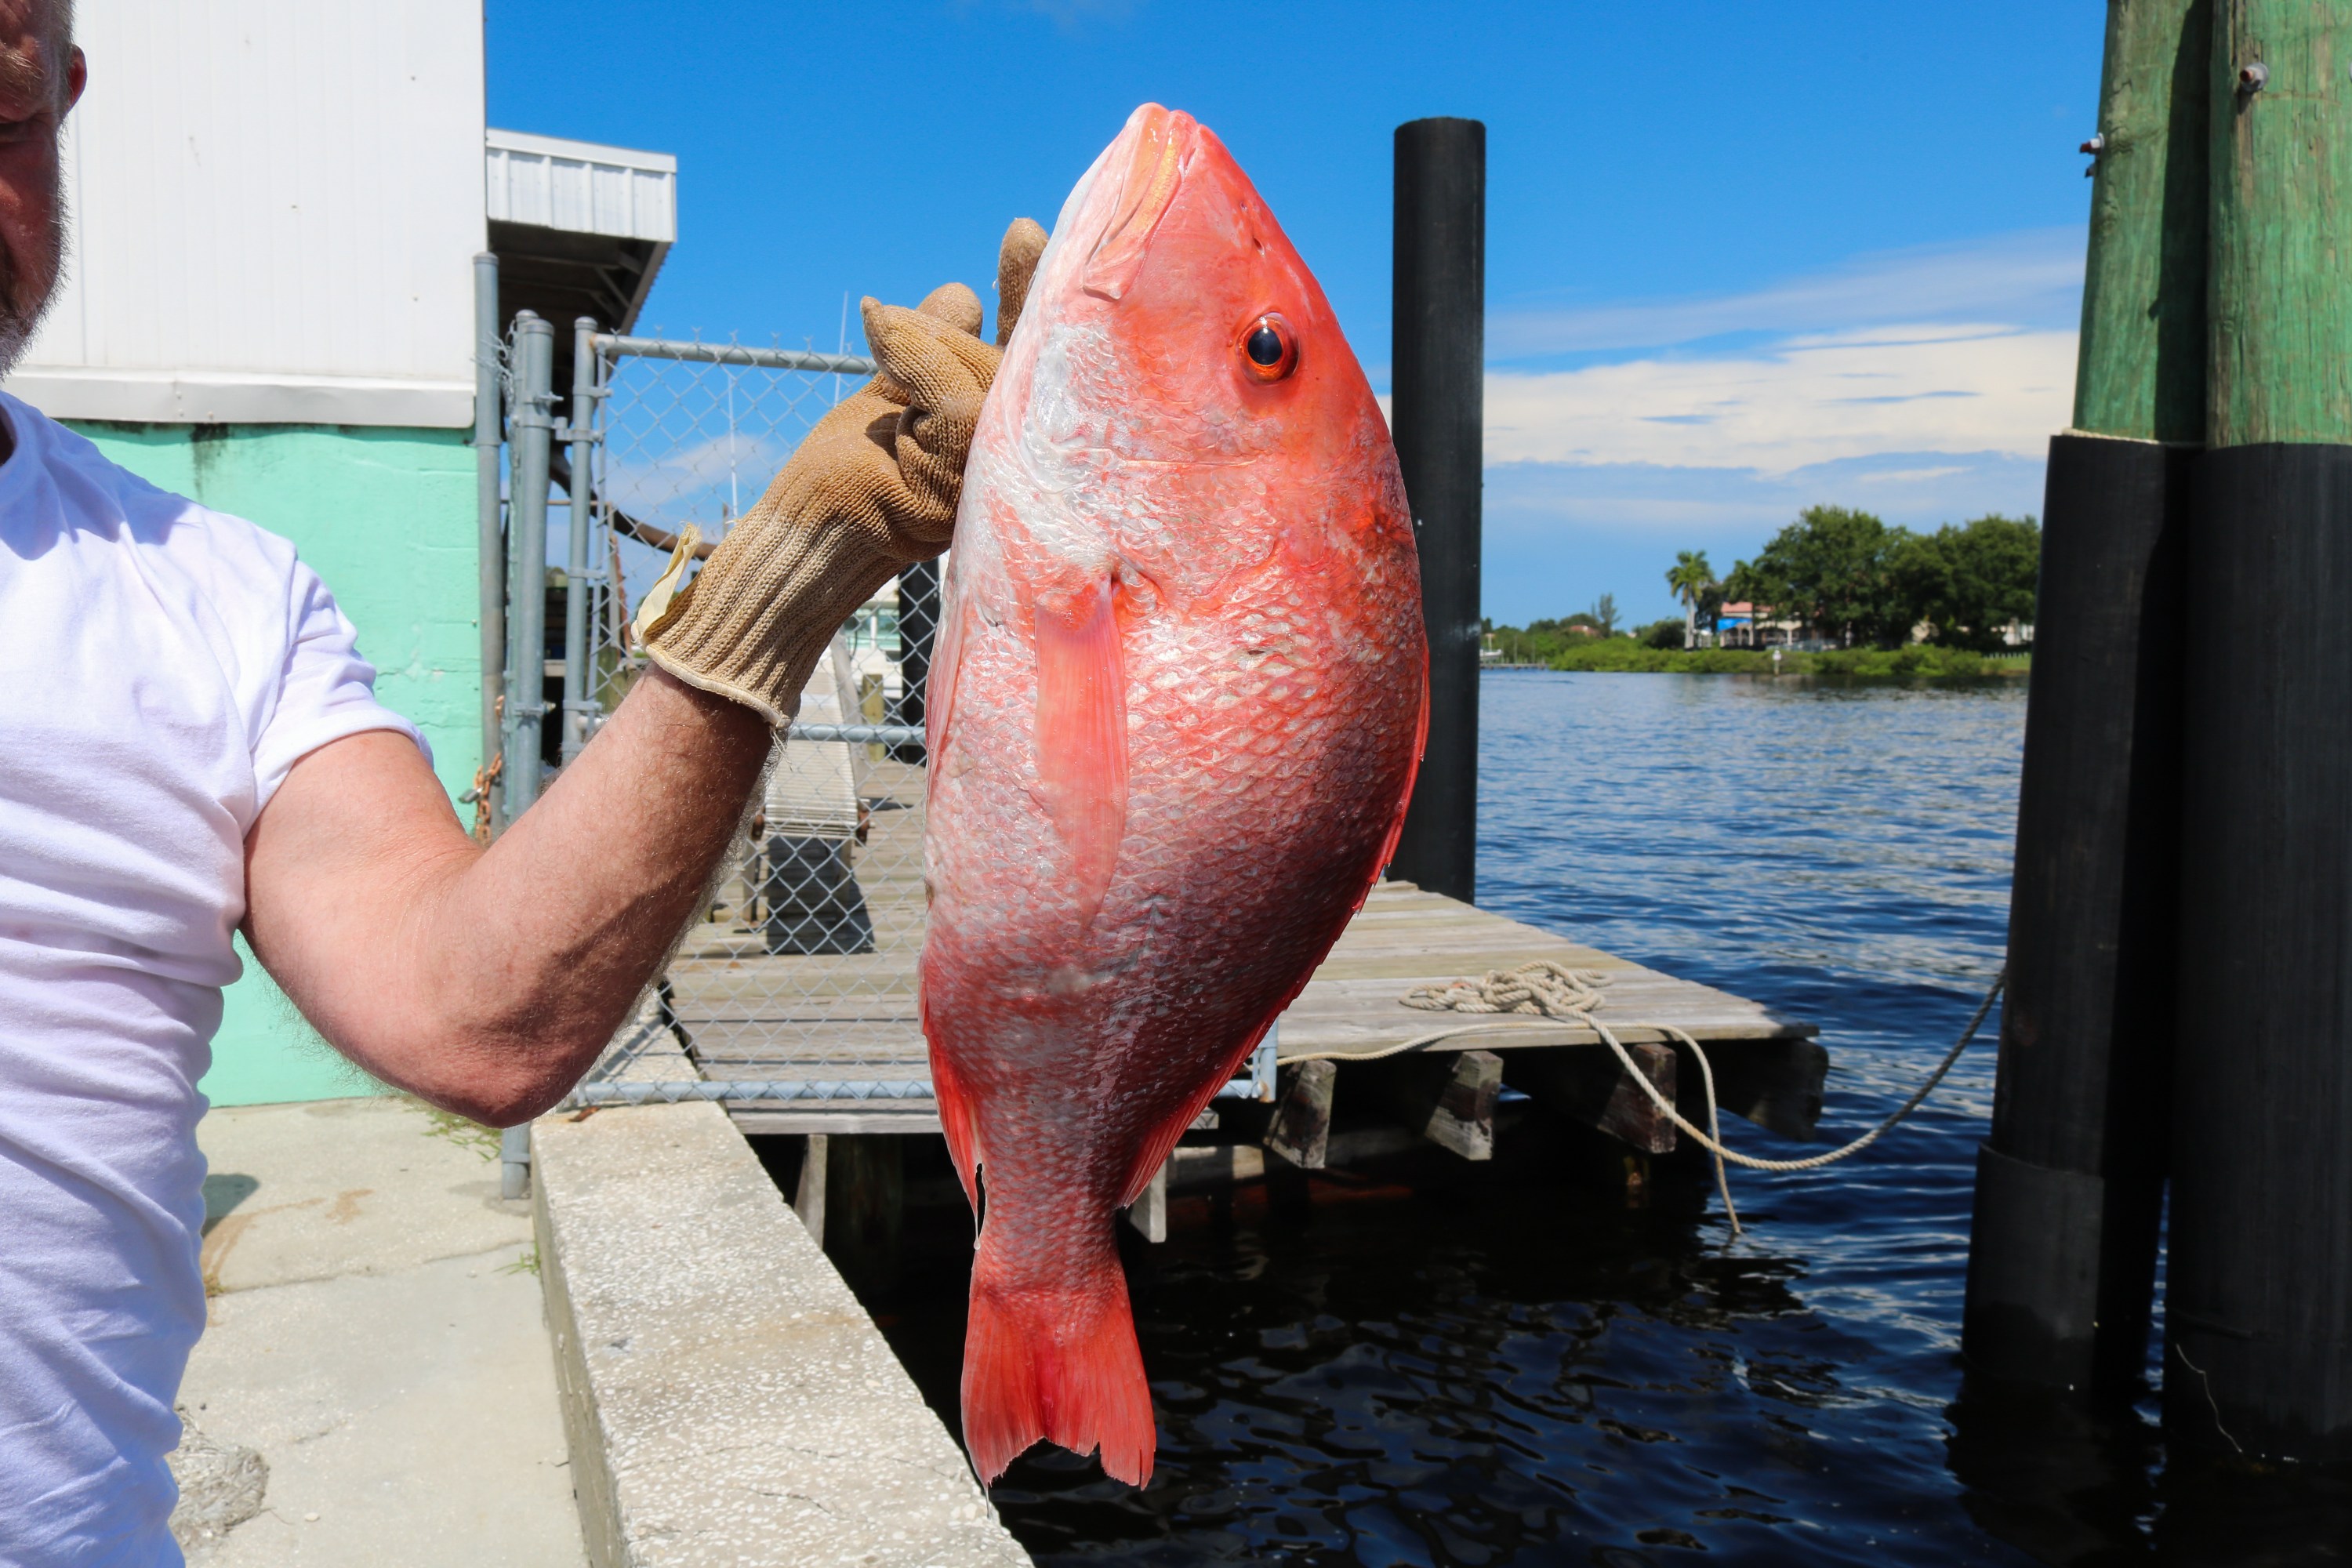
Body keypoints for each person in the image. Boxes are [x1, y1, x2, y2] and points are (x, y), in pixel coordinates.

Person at [0, 2, 1049, 1558]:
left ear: (66, 93)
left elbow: (471, 1007)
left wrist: (791, 567)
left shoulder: (216, 594)